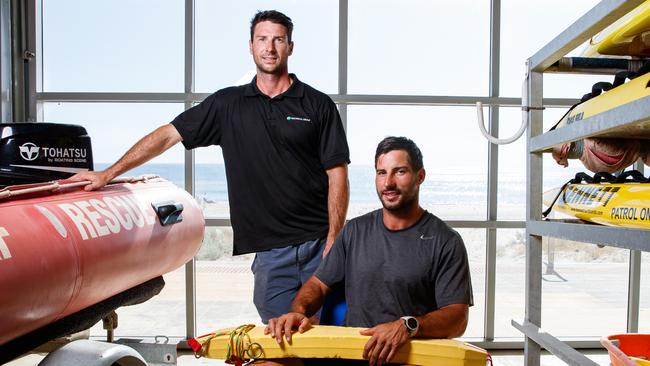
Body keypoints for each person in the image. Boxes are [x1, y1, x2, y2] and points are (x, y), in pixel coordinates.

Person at [70, 10, 350, 323]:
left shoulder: (317, 104)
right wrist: (109, 174)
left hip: (318, 243)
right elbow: (167, 136)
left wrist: (334, 237)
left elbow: (337, 173)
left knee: (327, 341)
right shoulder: (227, 104)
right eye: (262, 39)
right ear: (250, 46)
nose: (270, 47)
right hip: (271, 253)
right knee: (283, 341)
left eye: (278, 39)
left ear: (290, 47)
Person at [265, 137, 473, 366]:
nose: (388, 183)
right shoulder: (354, 231)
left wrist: (407, 326)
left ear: (420, 176)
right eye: (381, 173)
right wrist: (298, 311)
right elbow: (317, 285)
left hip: (405, 357)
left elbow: (457, 318)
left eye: (400, 172)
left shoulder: (446, 241)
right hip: (349, 355)